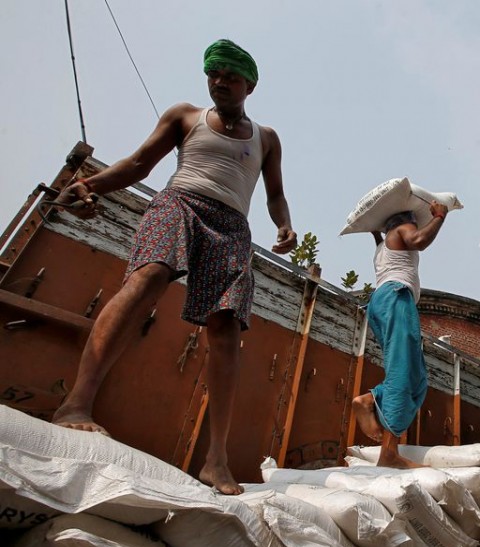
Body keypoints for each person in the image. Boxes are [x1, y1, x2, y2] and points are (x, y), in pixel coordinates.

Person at [51, 39, 297, 495]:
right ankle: (76, 404)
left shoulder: (267, 138)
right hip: (179, 203)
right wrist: (89, 185)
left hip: (232, 227)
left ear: (250, 85)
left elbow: (275, 194)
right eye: (214, 73)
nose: (220, 81)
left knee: (225, 328)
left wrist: (285, 225)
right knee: (147, 278)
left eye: (230, 75)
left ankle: (216, 460)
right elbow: (139, 164)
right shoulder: (184, 116)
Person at [351, 203, 448, 468]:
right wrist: (439, 216)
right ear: (405, 219)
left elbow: (381, 237)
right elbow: (419, 240)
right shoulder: (404, 228)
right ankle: (389, 453)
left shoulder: (382, 245)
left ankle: (370, 403)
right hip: (396, 298)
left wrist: (373, 228)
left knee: (415, 377)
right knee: (404, 372)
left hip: (381, 303)